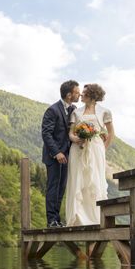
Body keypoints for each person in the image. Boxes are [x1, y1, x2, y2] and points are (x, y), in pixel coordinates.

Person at [66, 83, 115, 226]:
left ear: (92, 95)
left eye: (84, 93)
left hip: (96, 150)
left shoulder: (105, 112)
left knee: (95, 181)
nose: (81, 95)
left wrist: (102, 149)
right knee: (78, 180)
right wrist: (76, 139)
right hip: (78, 150)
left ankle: (95, 218)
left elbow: (111, 133)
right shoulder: (76, 112)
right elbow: (71, 133)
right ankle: (78, 218)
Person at [41, 80, 80, 228]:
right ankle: (51, 220)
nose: (79, 94)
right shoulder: (52, 110)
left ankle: (57, 219)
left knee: (61, 188)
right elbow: (46, 134)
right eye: (77, 92)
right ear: (69, 94)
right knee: (53, 187)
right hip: (54, 157)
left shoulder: (73, 109)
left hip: (67, 156)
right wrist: (57, 153)